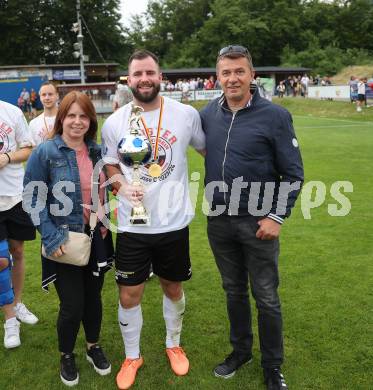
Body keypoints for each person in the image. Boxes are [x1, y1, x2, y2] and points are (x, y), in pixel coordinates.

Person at [200, 45, 304, 390]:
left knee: (267, 296)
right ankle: (240, 351)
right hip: (219, 221)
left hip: (258, 222)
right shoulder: (207, 114)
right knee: (233, 292)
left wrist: (276, 217)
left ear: (252, 75)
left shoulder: (275, 116)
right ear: (218, 77)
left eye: (239, 71)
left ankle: (273, 365)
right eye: (226, 72)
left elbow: (293, 174)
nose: (233, 78)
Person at [101, 49, 205, 390]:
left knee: (172, 287)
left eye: (150, 72)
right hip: (133, 225)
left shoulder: (186, 114)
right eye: (137, 74)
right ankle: (133, 356)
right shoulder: (115, 122)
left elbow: (210, 150)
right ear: (128, 80)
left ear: (160, 76)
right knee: (129, 294)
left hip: (173, 224)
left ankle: (173, 345)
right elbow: (111, 164)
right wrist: (120, 184)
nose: (144, 79)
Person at [23, 91, 114, 386]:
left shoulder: (98, 151)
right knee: (72, 305)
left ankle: (92, 347)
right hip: (63, 240)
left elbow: (106, 189)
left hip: (97, 236)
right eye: (71, 115)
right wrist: (50, 236)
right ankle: (66, 354)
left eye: (83, 116)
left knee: (93, 300)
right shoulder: (45, 152)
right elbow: (32, 198)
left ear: (91, 119)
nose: (77, 122)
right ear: (62, 118)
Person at [0, 100, 37, 350]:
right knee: (1, 260)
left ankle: (17, 301)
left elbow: (28, 148)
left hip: (14, 195)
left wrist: (7, 157)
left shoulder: (11, 111)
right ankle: (10, 320)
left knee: (18, 252)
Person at [29, 82, 59, 146]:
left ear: (57, 96)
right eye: (43, 95)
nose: (47, 98)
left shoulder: (65, 119)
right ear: (40, 97)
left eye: (50, 94)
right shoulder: (33, 123)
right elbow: (32, 150)